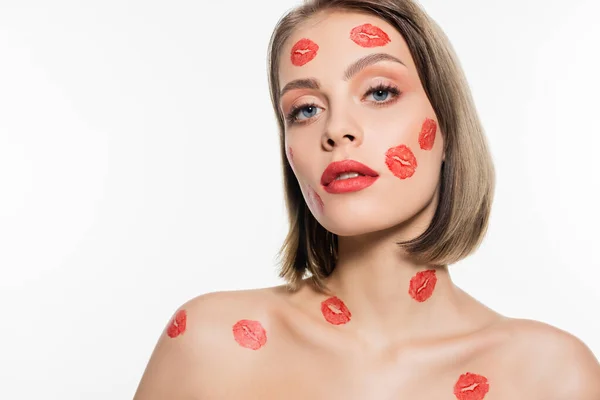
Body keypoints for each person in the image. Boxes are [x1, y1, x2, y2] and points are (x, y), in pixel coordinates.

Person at [134, 0, 600, 398]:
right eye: (305, 109)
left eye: (379, 91)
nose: (335, 129)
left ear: (446, 126)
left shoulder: (551, 375)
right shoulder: (210, 345)